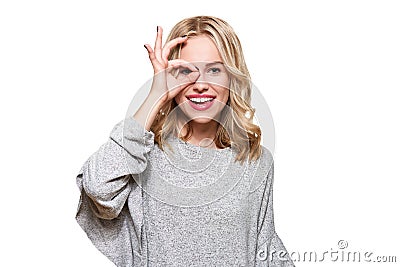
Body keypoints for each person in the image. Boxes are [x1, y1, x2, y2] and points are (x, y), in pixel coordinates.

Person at [75, 15, 295, 266]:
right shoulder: (143, 153)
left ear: (232, 78)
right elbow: (98, 188)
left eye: (214, 70)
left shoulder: (255, 161)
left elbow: (264, 249)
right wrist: (156, 93)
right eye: (186, 71)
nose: (200, 84)